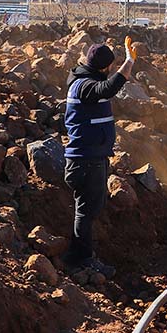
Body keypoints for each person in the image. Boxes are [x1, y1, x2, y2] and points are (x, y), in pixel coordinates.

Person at [62, 37, 136, 277]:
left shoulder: (85, 81)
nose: (111, 71)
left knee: (90, 209)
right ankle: (80, 260)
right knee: (85, 211)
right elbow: (108, 88)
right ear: (104, 68)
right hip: (85, 160)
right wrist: (128, 62)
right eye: (110, 68)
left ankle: (80, 256)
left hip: (93, 157)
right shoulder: (83, 85)